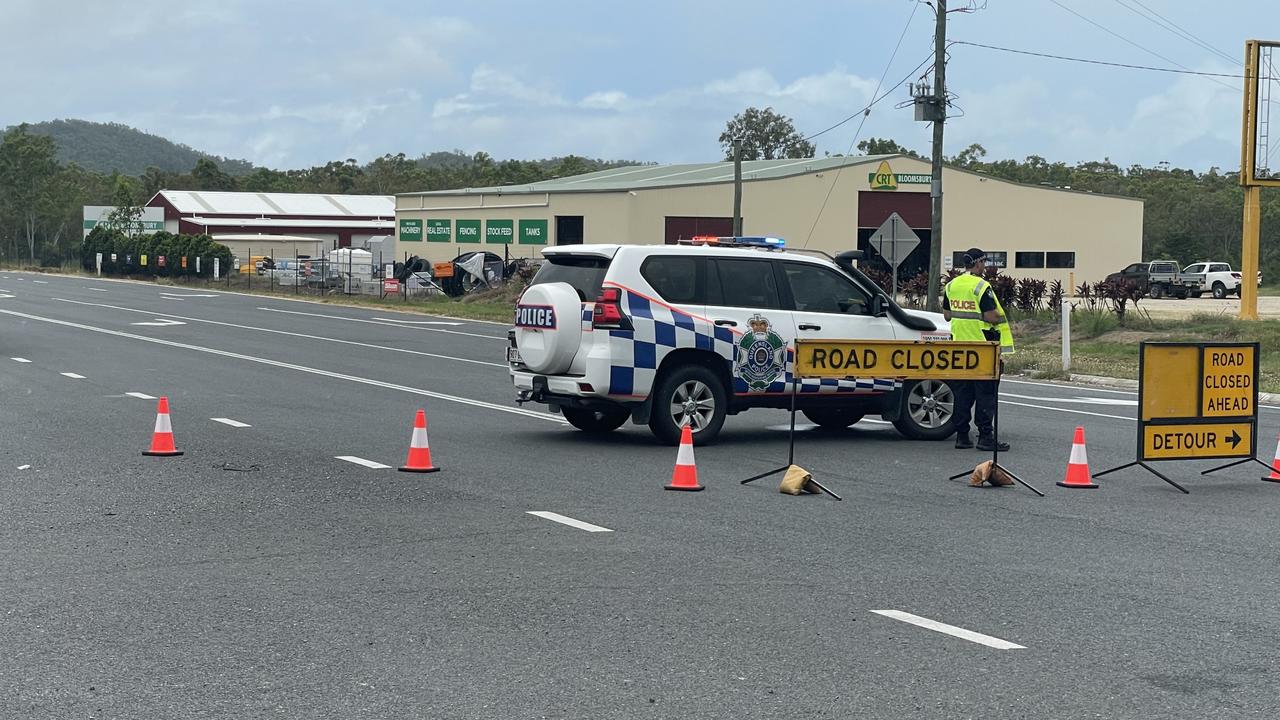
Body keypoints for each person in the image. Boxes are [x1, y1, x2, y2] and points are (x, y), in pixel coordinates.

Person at [942, 248, 1015, 451]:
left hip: (958, 348)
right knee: (985, 394)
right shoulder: (982, 286)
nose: (985, 266)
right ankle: (985, 437)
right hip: (982, 349)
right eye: (984, 261)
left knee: (962, 394)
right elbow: (992, 316)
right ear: (978, 263)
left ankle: (962, 436)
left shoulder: (951, 285)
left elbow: (947, 315)